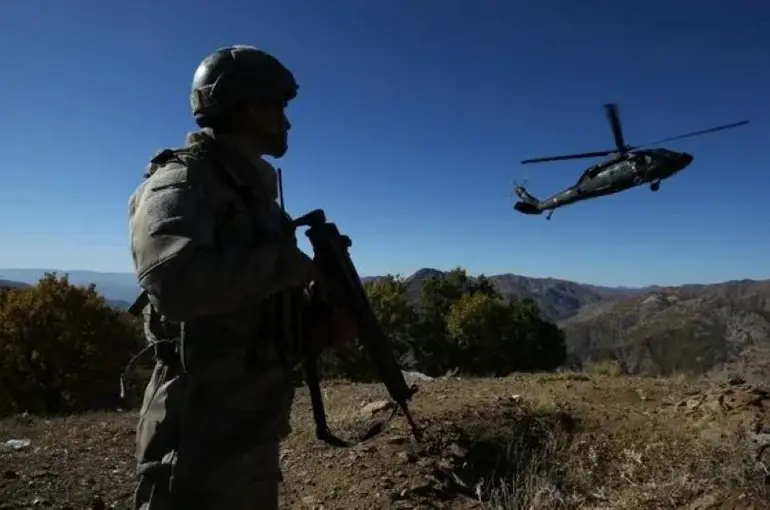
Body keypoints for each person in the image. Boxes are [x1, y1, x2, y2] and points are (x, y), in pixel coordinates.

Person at [127, 45, 356, 510]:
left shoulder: (251, 195)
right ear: (251, 106)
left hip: (248, 425)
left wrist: (316, 323)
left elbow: (247, 305)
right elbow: (176, 283)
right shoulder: (181, 182)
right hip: (195, 433)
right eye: (279, 107)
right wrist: (288, 267)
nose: (287, 122)